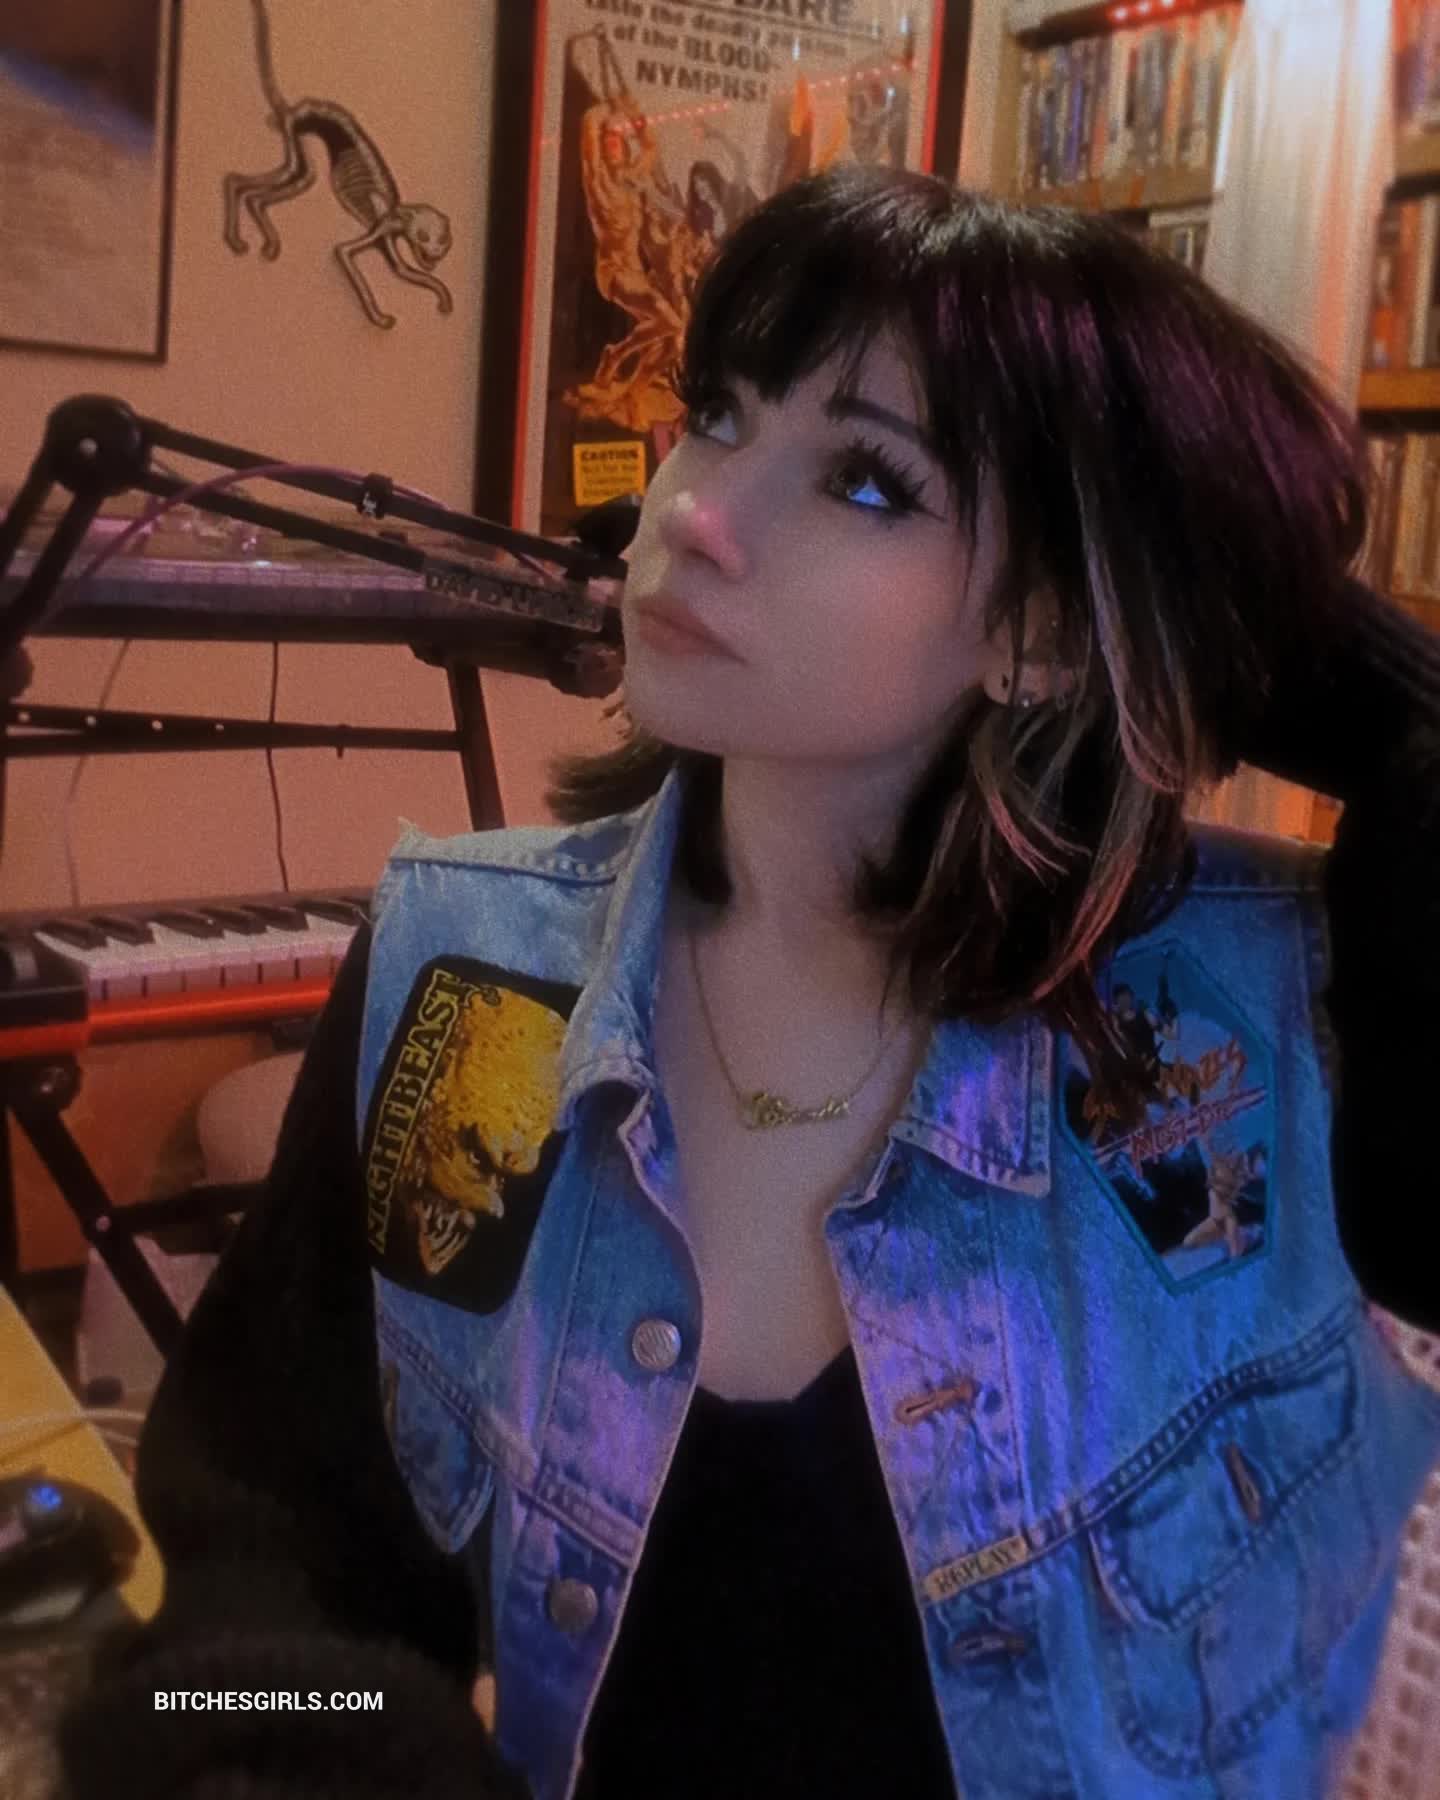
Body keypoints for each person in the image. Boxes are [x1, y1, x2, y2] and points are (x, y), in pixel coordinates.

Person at [58, 162, 1440, 1799]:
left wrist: (1366, 690)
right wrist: (289, 1735)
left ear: (1047, 629)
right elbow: (264, 1584)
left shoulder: (1286, 1011)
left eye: (864, 479)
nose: (691, 514)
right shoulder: (476, 984)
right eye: (716, 416)